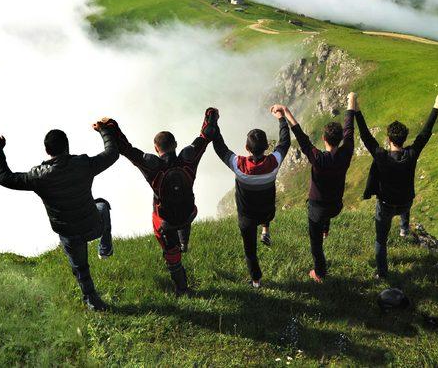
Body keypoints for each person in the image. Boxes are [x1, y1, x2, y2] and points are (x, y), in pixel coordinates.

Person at [0, 119, 119, 311]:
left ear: (46, 150)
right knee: (102, 206)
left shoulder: (38, 177)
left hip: (68, 232)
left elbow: (5, 178)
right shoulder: (83, 164)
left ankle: (92, 301)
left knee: (81, 268)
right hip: (92, 226)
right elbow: (112, 153)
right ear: (67, 146)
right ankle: (105, 247)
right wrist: (103, 131)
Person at [109, 108, 218, 296]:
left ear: (156, 149)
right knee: (183, 212)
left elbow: (126, 149)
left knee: (172, 255)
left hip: (166, 222)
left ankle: (182, 289)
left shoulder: (152, 165)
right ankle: (184, 243)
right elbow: (206, 136)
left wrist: (111, 128)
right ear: (175, 144)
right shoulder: (188, 158)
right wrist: (211, 115)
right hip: (188, 213)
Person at [355, 94, 438, 279]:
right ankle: (404, 228)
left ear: (388, 139)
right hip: (405, 202)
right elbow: (425, 134)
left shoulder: (381, 156)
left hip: (386, 204)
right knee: (405, 201)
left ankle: (382, 274)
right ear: (404, 138)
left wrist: (356, 110)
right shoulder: (411, 154)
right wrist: (436, 106)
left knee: (381, 240)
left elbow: (365, 136)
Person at [212, 107, 290, 288]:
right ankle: (265, 230)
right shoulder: (274, 162)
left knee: (250, 252)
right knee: (265, 205)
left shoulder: (239, 165)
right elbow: (285, 142)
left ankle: (256, 281)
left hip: (247, 217)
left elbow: (220, 148)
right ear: (267, 147)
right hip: (267, 212)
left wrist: (214, 123)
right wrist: (281, 118)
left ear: (247, 148)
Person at [281, 93, 355, 283]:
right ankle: (325, 229)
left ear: (323, 138)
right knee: (327, 210)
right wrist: (351, 103)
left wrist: (286, 112)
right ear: (339, 139)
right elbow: (349, 129)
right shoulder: (346, 154)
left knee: (316, 244)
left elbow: (301, 137)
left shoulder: (319, 158)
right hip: (335, 207)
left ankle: (319, 273)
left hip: (317, 209)